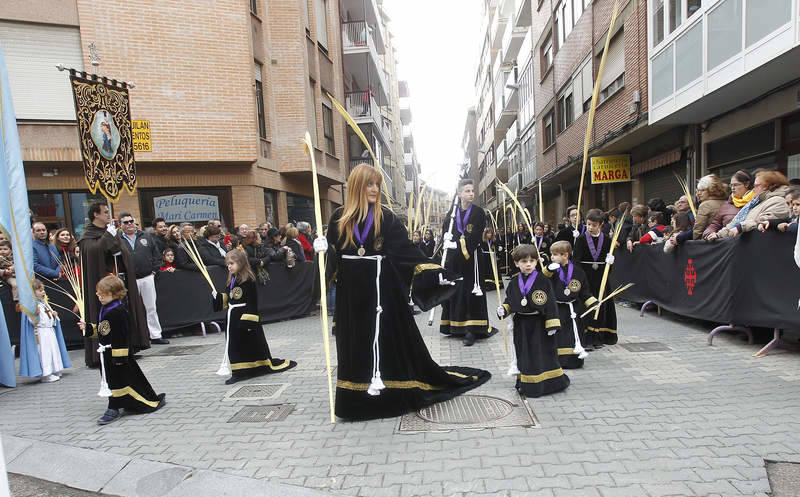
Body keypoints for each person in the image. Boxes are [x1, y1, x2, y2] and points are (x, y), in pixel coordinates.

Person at [323, 164, 490, 420]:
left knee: (384, 343)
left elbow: (406, 254)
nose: (375, 189)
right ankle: (353, 401)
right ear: (357, 186)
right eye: (370, 184)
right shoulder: (338, 219)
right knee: (354, 343)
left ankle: (389, 394)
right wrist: (323, 251)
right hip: (351, 299)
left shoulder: (386, 218)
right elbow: (332, 265)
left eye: (378, 184)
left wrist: (438, 272)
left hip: (382, 295)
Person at [79, 275, 166, 425]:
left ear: (114, 293)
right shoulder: (107, 308)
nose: (99, 297)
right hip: (107, 353)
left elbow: (121, 335)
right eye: (99, 294)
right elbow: (104, 330)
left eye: (103, 294)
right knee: (114, 380)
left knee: (118, 380)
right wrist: (88, 328)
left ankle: (113, 406)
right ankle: (121, 403)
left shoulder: (118, 311)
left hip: (116, 354)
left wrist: (119, 357)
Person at [78, 202, 150, 367]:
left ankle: (127, 347)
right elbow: (94, 253)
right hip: (103, 284)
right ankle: (102, 352)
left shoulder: (109, 232)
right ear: (95, 214)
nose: (107, 215)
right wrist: (107, 239)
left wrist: (115, 245)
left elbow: (118, 252)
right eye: (104, 212)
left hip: (117, 281)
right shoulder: (87, 236)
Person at [212, 249, 296, 385]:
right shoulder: (231, 280)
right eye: (228, 264)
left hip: (244, 318)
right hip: (232, 318)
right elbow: (230, 300)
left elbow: (252, 302)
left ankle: (249, 370)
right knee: (234, 345)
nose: (229, 266)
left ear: (241, 263)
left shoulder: (248, 280)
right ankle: (239, 371)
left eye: (232, 263)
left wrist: (248, 323)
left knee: (248, 343)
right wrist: (218, 297)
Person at [496, 244, 568, 397]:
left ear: (537, 262)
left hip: (539, 324)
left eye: (531, 261)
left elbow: (550, 302)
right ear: (516, 263)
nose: (528, 264)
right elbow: (511, 300)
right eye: (523, 261)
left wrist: (552, 323)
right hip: (521, 324)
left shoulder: (543, 280)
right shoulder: (514, 282)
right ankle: (524, 382)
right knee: (524, 353)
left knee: (539, 353)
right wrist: (504, 309)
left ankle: (542, 385)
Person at [439, 178, 497, 346]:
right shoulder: (452, 213)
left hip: (472, 259)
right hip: (455, 261)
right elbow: (447, 230)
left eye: (472, 191)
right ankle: (456, 326)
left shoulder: (478, 212)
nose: (471, 194)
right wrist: (445, 238)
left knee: (471, 292)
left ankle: (473, 329)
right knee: (457, 291)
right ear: (459, 194)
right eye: (467, 191)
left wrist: (456, 244)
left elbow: (475, 236)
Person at [542, 241, 597, 369]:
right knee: (559, 335)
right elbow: (542, 281)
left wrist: (593, 302)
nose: (552, 257)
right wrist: (548, 269)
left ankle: (573, 360)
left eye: (555, 255)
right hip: (557, 309)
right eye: (552, 254)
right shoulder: (552, 270)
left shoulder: (578, 272)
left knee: (573, 334)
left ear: (565, 255)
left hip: (573, 309)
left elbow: (584, 291)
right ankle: (556, 361)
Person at [117, 213, 168, 345]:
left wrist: (154, 271)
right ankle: (136, 336)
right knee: (131, 308)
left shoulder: (146, 236)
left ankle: (155, 335)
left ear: (135, 222)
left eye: (131, 221)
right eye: (125, 222)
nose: (129, 224)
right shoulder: (117, 239)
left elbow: (156, 255)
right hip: (129, 279)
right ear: (120, 225)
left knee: (151, 307)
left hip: (147, 276)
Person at [573, 208, 617, 347]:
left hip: (601, 277)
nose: (590, 228)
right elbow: (576, 261)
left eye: (594, 225)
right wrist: (580, 277)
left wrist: (609, 262)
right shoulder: (581, 239)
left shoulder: (607, 240)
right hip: (586, 277)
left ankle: (599, 336)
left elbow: (607, 258)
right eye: (588, 224)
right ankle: (587, 339)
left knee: (601, 306)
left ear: (601, 225)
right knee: (586, 306)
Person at [710, 171, 791, 240]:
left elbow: (764, 221)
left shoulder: (778, 201)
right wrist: (719, 235)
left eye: (755, 186)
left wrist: (740, 227)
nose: (753, 189)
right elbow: (735, 222)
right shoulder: (755, 202)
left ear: (766, 187)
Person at [19, 280, 72, 382]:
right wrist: (34, 314)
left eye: (43, 290)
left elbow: (48, 318)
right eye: (40, 290)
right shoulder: (33, 305)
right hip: (41, 333)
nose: (43, 292)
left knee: (53, 350)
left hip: (49, 331)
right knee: (45, 352)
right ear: (33, 292)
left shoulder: (44, 304)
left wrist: (54, 316)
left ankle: (55, 369)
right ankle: (46, 374)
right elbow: (32, 321)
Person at [703, 170, 753, 239]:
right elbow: (715, 224)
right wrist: (709, 233)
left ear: (747, 184)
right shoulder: (726, 205)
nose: (732, 188)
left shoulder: (756, 202)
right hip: (729, 244)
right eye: (731, 185)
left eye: (736, 185)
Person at [691, 174, 728, 239]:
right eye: (698, 190)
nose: (699, 193)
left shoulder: (705, 205)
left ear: (711, 190)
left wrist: (695, 241)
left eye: (703, 190)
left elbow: (698, 229)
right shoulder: (727, 202)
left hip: (709, 240)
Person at [479, 227, 504, 291]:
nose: (489, 235)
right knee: (487, 271)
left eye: (490, 233)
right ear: (485, 234)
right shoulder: (482, 241)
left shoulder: (494, 240)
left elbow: (497, 248)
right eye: (488, 233)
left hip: (493, 257)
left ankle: (497, 283)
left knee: (494, 270)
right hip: (486, 257)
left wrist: (499, 249)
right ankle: (488, 285)